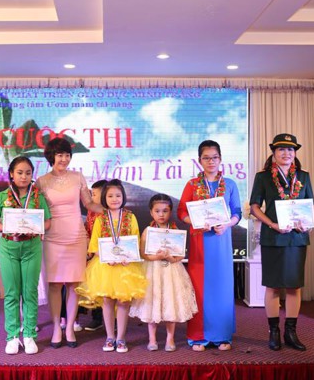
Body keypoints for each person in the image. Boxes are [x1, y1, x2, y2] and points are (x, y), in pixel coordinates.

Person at [249, 133, 314, 352]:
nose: (286, 153)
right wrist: (272, 224)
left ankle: (291, 332)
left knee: (294, 285)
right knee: (273, 285)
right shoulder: (263, 177)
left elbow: (309, 205)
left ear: (295, 153)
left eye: (290, 149)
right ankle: (274, 331)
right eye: (281, 149)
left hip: (297, 237)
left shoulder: (303, 176)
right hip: (273, 236)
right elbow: (255, 207)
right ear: (274, 153)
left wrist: (307, 224)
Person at [35, 137, 101, 348]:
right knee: (54, 285)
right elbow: (36, 210)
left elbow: (89, 203)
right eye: (59, 155)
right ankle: (57, 327)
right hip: (52, 237)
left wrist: (110, 209)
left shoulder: (78, 177)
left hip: (76, 236)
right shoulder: (41, 181)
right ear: (51, 156)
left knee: (73, 284)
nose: (64, 159)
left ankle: (70, 327)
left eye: (67, 155)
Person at [178, 140, 242, 352]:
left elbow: (237, 212)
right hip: (200, 242)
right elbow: (181, 212)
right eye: (206, 158)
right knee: (199, 288)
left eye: (214, 157)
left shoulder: (230, 184)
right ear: (200, 161)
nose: (211, 161)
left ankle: (223, 335)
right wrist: (196, 222)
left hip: (221, 241)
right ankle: (198, 336)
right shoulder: (192, 185)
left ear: (220, 159)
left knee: (222, 288)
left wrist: (228, 224)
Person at [0, 156, 52, 355]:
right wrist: (6, 227)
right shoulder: (2, 197)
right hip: (9, 248)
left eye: (28, 173)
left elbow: (47, 222)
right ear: (12, 174)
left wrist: (38, 228)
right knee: (12, 293)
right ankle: (13, 337)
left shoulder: (38, 197)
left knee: (30, 292)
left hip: (32, 247)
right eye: (20, 173)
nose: (24, 176)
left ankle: (30, 335)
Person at [76, 179, 146, 353]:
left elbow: (135, 240)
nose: (114, 199)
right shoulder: (101, 219)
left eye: (118, 195)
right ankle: (109, 337)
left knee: (123, 302)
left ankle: (121, 338)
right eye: (110, 196)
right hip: (105, 267)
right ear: (104, 198)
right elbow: (94, 245)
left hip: (126, 267)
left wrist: (128, 257)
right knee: (107, 301)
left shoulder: (130, 217)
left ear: (123, 197)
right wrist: (107, 257)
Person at [130, 194, 198, 351]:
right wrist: (157, 257)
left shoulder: (175, 231)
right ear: (151, 212)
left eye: (165, 211)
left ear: (170, 212)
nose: (161, 214)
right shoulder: (148, 231)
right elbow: (143, 253)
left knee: (170, 302)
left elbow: (180, 255)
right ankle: (152, 339)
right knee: (152, 303)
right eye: (157, 211)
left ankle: (170, 338)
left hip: (171, 272)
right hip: (152, 271)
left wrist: (170, 257)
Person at [83, 179, 107, 331]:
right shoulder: (91, 212)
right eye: (91, 194)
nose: (91, 197)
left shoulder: (112, 211)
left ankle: (114, 320)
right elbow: (87, 229)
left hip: (110, 255)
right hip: (95, 254)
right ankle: (97, 318)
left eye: (95, 194)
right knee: (96, 287)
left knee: (110, 288)